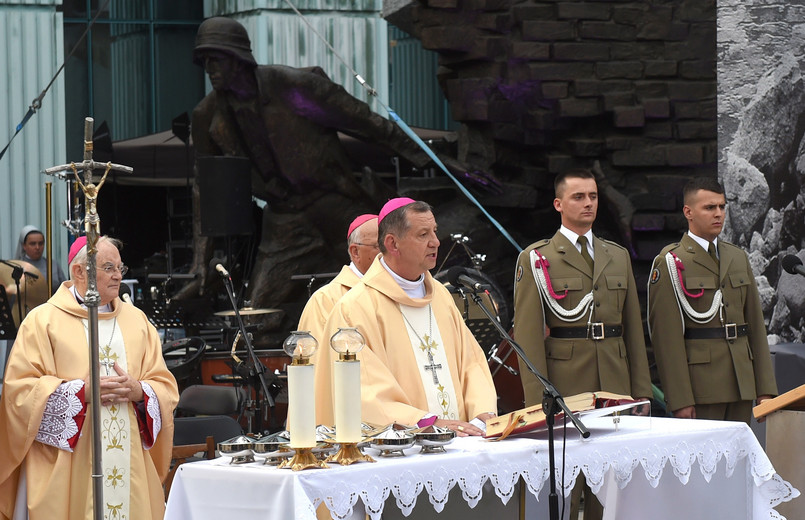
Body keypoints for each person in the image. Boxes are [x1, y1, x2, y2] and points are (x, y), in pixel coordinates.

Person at [181, 17, 436, 314]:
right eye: (205, 60)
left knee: (389, 286)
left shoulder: (293, 86)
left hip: (339, 202)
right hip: (285, 218)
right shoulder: (207, 116)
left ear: (238, 57)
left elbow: (369, 124)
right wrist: (201, 262)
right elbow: (206, 190)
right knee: (257, 313)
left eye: (217, 58)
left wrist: (436, 161)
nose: (210, 68)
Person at [0, 235, 179, 520]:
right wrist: (77, 394)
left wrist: (139, 391)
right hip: (70, 468)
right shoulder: (42, 321)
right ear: (79, 271)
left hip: (129, 461)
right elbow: (18, 394)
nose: (118, 275)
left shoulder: (137, 321)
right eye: (109, 267)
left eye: (121, 268)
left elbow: (165, 386)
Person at [512, 168, 652, 520]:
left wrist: (640, 391)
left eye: (592, 196)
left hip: (615, 381)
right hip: (566, 385)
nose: (588, 203)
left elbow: (633, 329)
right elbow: (528, 338)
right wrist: (536, 406)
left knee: (612, 485)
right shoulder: (538, 258)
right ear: (559, 204)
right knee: (568, 485)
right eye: (578, 197)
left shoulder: (616, 254)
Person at [321, 198, 497, 435]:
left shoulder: (442, 297)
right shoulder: (355, 308)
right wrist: (426, 422)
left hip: (463, 444)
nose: (435, 242)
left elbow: (472, 363)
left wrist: (481, 414)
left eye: (434, 232)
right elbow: (364, 390)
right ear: (393, 244)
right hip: (399, 452)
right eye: (423, 234)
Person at [647, 177, 777, 423]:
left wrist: (765, 388)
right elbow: (667, 340)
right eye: (709, 208)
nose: (718, 214)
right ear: (689, 212)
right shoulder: (671, 263)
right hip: (701, 387)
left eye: (722, 207)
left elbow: (756, 327)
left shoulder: (737, 257)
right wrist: (680, 399)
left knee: (739, 458)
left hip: (741, 381)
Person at [297, 214, 378, 426]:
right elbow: (318, 370)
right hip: (348, 416)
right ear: (355, 251)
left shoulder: (393, 294)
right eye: (379, 247)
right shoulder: (326, 300)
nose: (387, 255)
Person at [14, 225, 67, 294]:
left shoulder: (53, 265)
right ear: (24, 246)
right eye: (33, 244)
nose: (37, 247)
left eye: (40, 243)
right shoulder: (17, 266)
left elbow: (65, 290)